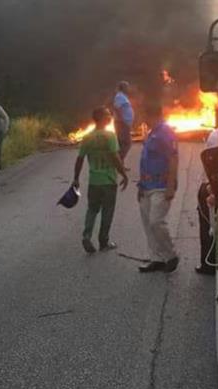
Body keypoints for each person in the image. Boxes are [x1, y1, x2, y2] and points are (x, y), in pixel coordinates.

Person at [73, 107, 129, 253]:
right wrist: (124, 174)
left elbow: (80, 159)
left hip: (94, 181)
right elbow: (115, 158)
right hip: (109, 181)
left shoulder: (87, 137)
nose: (110, 117)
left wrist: (76, 178)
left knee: (92, 210)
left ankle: (86, 236)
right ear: (103, 118)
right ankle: (103, 242)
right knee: (107, 211)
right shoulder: (110, 136)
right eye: (108, 115)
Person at [137, 102, 180, 273]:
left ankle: (170, 255)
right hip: (146, 186)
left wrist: (171, 185)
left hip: (161, 186)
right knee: (148, 223)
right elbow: (145, 162)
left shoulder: (165, 132)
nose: (143, 119)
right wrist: (140, 185)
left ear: (152, 115)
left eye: (145, 116)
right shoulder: (152, 133)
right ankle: (156, 258)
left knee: (156, 221)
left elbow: (173, 159)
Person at [196, 124, 218, 275]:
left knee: (209, 228)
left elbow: (211, 164)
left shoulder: (216, 135)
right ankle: (212, 262)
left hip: (212, 186)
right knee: (214, 226)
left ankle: (208, 264)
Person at [112, 81, 134, 162]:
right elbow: (117, 108)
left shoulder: (123, 96)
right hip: (122, 123)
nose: (128, 88)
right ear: (123, 88)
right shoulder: (120, 96)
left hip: (123, 123)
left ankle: (121, 163)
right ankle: (119, 161)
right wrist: (122, 120)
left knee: (121, 144)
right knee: (127, 143)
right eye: (127, 87)